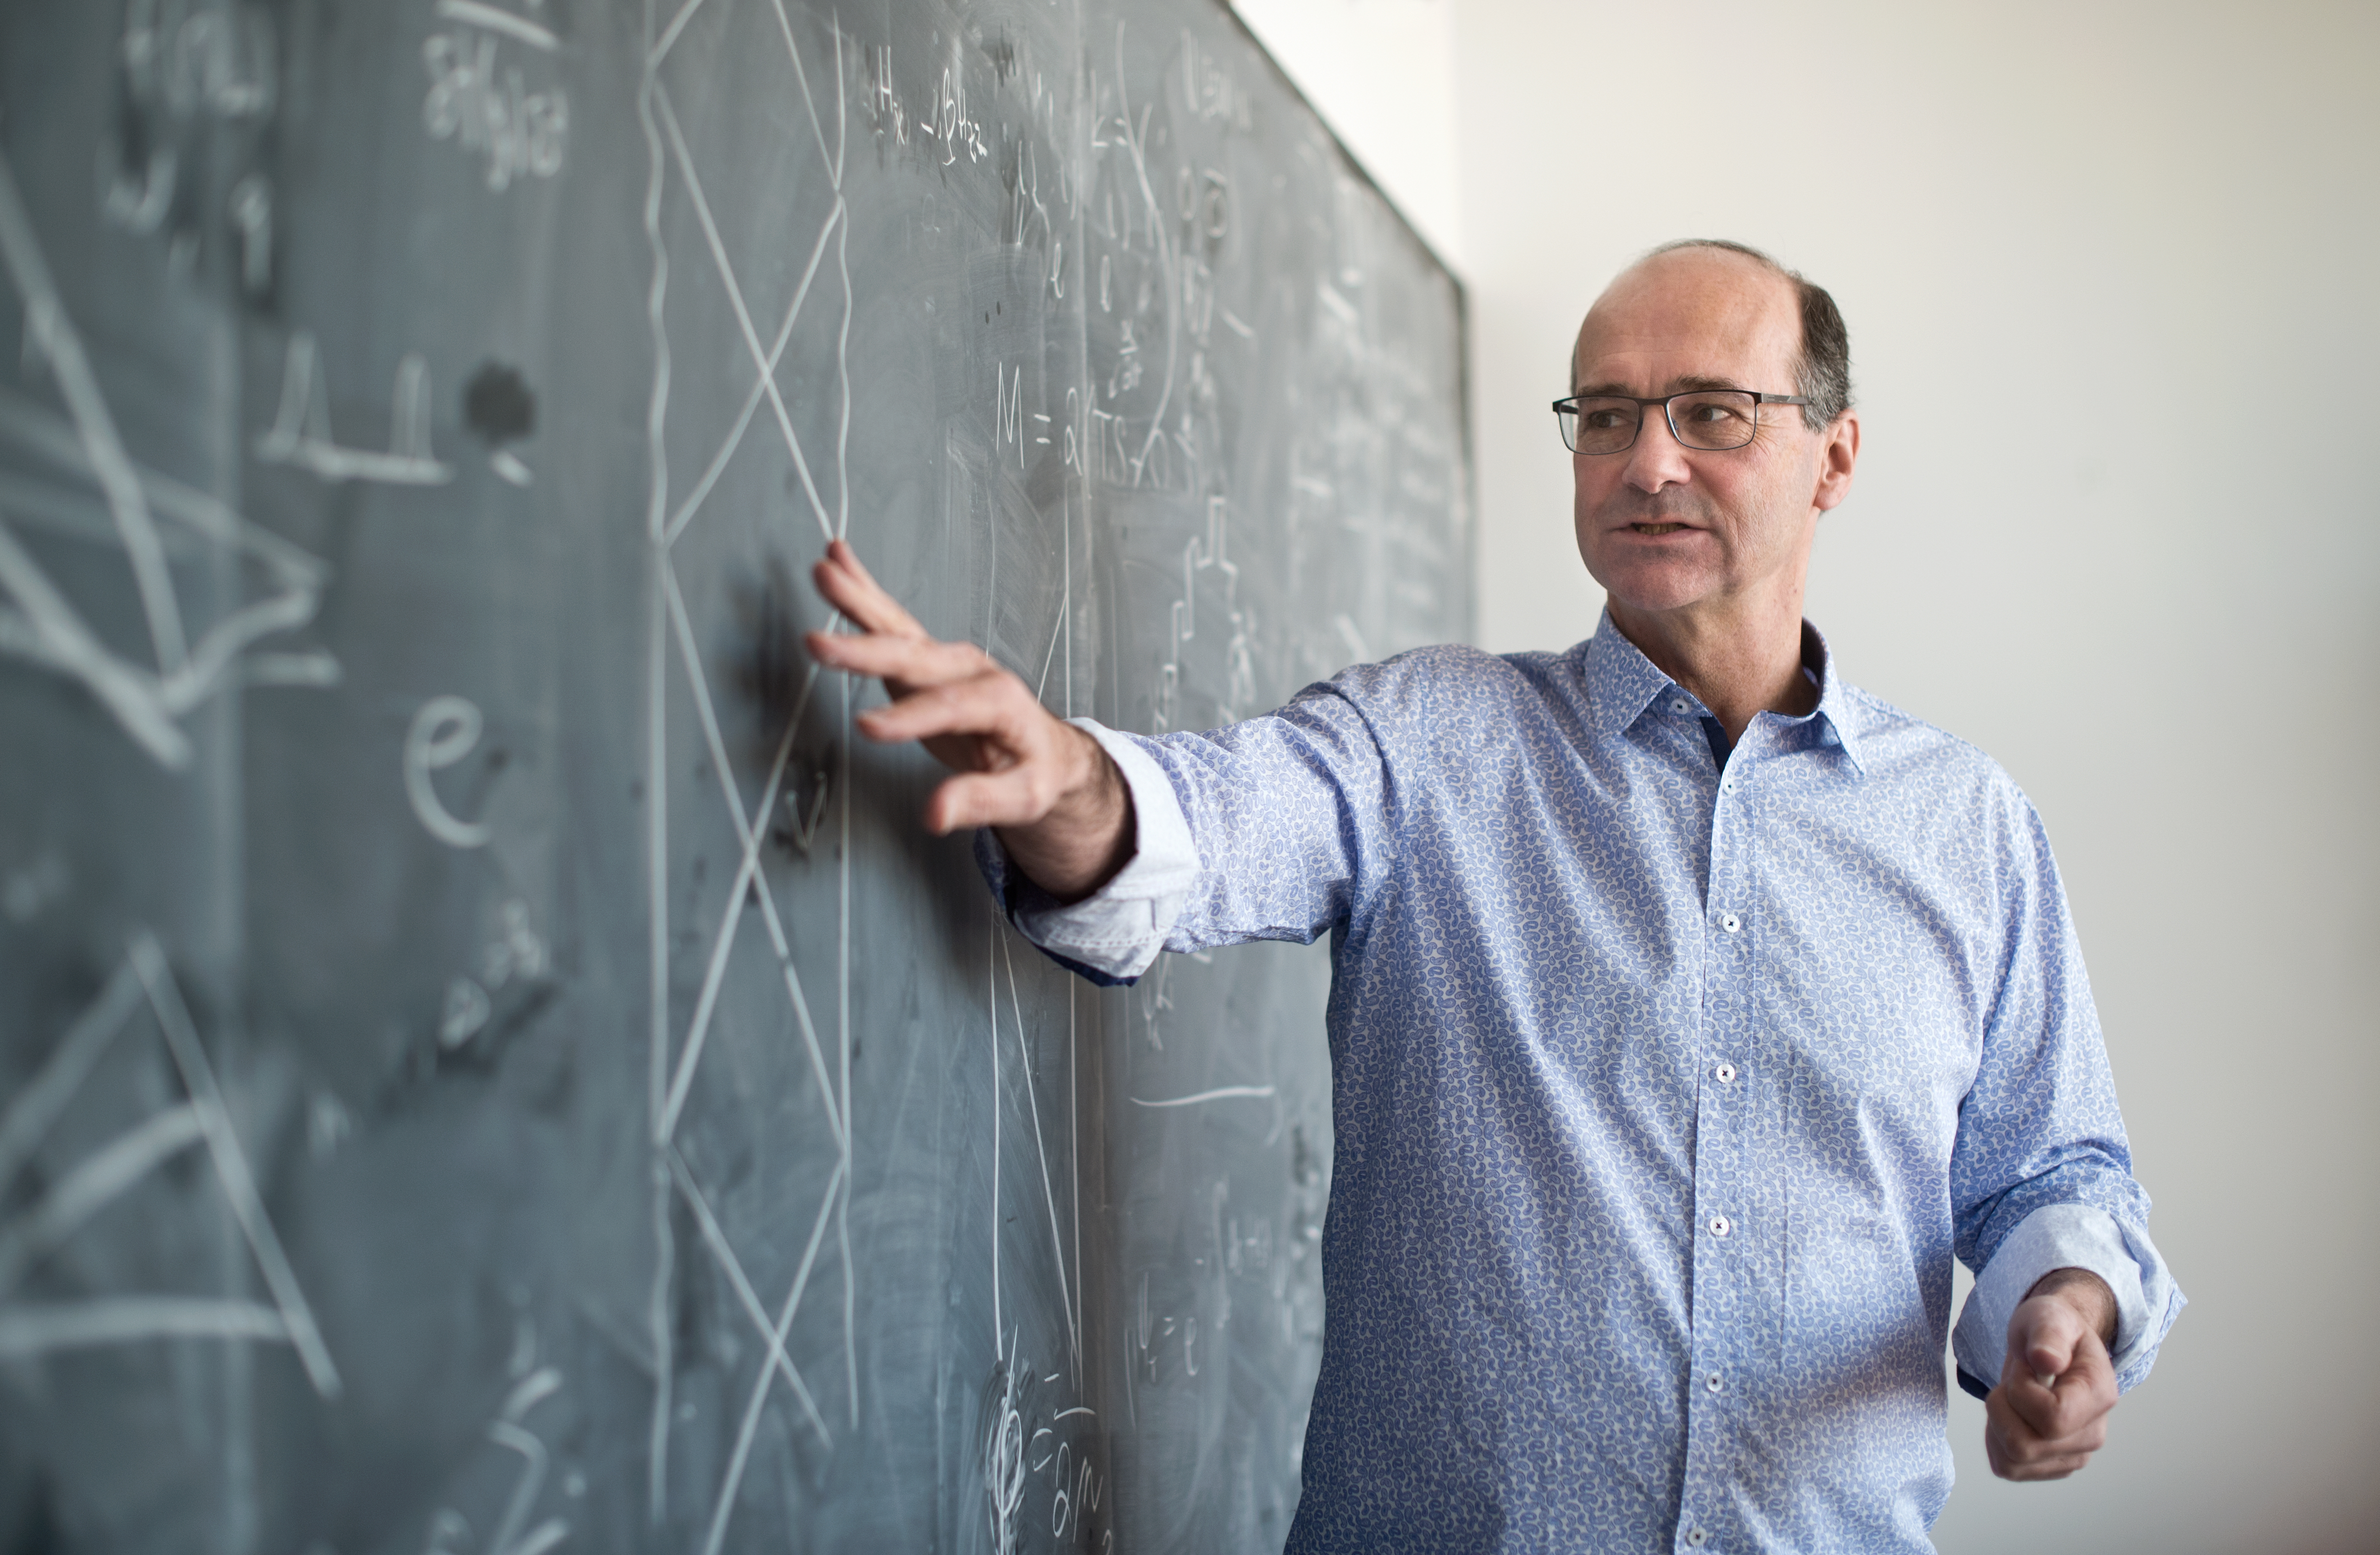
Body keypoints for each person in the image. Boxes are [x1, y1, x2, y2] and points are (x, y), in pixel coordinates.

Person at [806, 239, 2182, 1554]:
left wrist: (2062, 1305)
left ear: (1835, 454)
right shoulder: (1429, 742)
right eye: (1603, 415)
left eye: (1710, 412)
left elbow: (2052, 1170)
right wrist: (1072, 787)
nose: (1647, 460)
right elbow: (1224, 820)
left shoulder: (1965, 826)